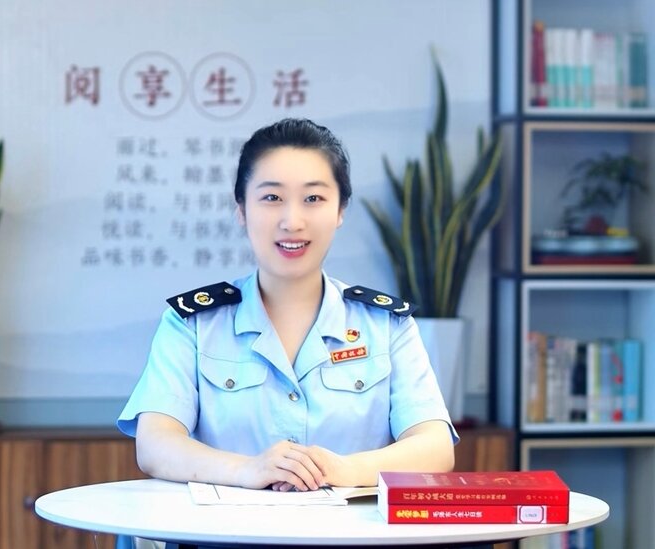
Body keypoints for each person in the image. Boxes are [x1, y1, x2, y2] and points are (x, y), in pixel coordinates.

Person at [117, 118, 457, 494]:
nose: (292, 221)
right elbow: (155, 443)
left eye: (313, 199)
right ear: (242, 209)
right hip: (225, 528)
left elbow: (435, 446)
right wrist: (247, 469)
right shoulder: (192, 324)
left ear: (340, 210)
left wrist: (345, 469)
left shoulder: (387, 326)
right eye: (272, 198)